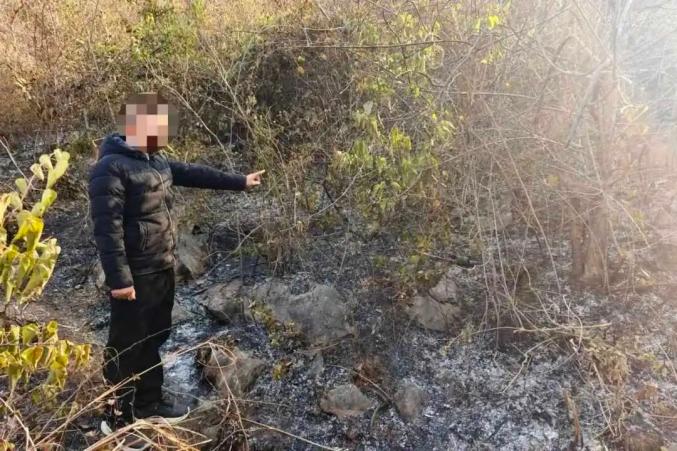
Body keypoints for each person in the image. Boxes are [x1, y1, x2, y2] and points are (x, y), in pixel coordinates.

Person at [88, 92, 264, 429]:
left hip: (161, 265)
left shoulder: (156, 161)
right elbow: (106, 231)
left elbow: (195, 173)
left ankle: (148, 403)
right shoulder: (110, 168)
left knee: (154, 336)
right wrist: (120, 281)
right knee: (126, 345)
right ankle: (115, 417)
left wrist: (240, 181)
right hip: (134, 274)